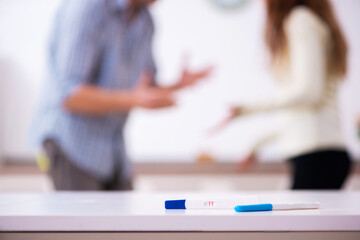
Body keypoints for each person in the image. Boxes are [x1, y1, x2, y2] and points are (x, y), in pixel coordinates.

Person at [32, 0, 213, 191]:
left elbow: (144, 89)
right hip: (72, 146)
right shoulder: (88, 8)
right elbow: (69, 95)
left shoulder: (145, 22)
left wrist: (177, 85)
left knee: (127, 219)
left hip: (113, 154)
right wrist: (134, 99)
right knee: (84, 221)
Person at [212, 0, 352, 190]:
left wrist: (247, 109)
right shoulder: (309, 21)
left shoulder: (300, 20)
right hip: (321, 154)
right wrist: (256, 145)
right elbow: (300, 118)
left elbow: (309, 92)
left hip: (317, 156)